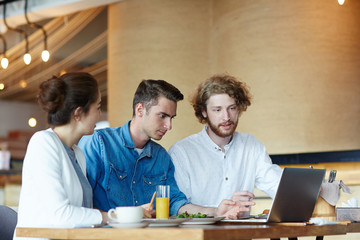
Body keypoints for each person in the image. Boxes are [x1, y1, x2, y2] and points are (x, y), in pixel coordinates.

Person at [79, 79, 247, 219]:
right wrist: (129, 215)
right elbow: (81, 206)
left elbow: (175, 204)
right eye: (162, 116)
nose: (169, 126)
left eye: (171, 118)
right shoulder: (98, 143)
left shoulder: (161, 156)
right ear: (140, 110)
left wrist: (216, 211)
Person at [169, 73, 282, 215]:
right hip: (199, 235)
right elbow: (177, 208)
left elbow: (278, 186)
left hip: (240, 235)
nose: (226, 117)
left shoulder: (251, 145)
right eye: (217, 110)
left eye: (232, 108)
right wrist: (217, 212)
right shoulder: (182, 152)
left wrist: (315, 186)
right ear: (204, 112)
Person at [15, 72, 108, 239]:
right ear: (78, 113)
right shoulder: (43, 143)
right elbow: (60, 215)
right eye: (98, 107)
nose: (99, 114)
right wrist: (111, 217)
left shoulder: (77, 153)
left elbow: (81, 213)